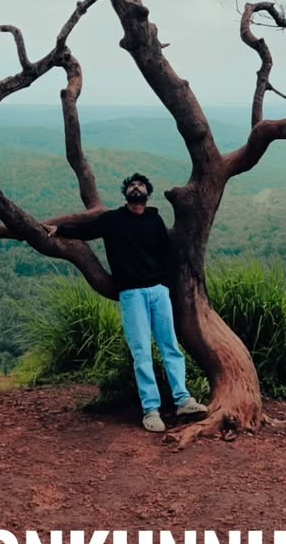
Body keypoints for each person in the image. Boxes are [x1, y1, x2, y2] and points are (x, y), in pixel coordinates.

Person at [45, 173, 209, 434]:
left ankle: (183, 400)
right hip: (132, 294)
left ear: (147, 192)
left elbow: (167, 253)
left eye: (140, 185)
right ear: (126, 192)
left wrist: (165, 284)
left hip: (158, 291)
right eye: (132, 185)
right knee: (141, 351)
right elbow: (86, 231)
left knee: (170, 346)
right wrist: (60, 229)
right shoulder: (112, 220)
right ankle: (151, 410)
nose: (136, 188)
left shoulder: (155, 219)